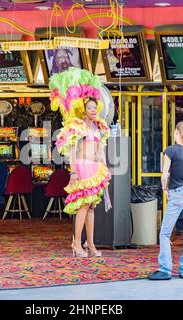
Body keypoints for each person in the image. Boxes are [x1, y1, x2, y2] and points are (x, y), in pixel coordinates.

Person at [50, 67, 111, 258]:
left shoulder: (99, 126)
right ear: (83, 109)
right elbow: (72, 150)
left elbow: (101, 149)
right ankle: (76, 243)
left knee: (92, 206)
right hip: (82, 167)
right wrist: (73, 171)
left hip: (95, 168)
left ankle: (90, 244)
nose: (93, 110)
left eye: (95, 107)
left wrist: (104, 164)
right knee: (83, 206)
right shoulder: (77, 126)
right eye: (90, 108)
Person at [148, 121, 183, 280]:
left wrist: (165, 190)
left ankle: (165, 269)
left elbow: (164, 175)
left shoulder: (171, 151)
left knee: (164, 233)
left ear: (177, 133)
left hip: (177, 193)